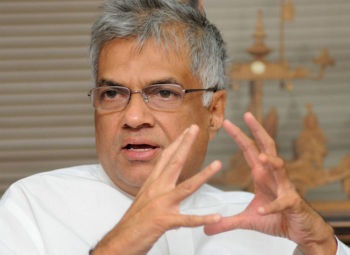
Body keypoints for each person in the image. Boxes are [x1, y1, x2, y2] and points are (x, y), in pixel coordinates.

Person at [0, 0, 349, 254]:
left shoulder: (260, 219)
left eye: (164, 92)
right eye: (112, 93)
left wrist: (321, 244)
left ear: (214, 110)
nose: (134, 118)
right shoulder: (33, 205)